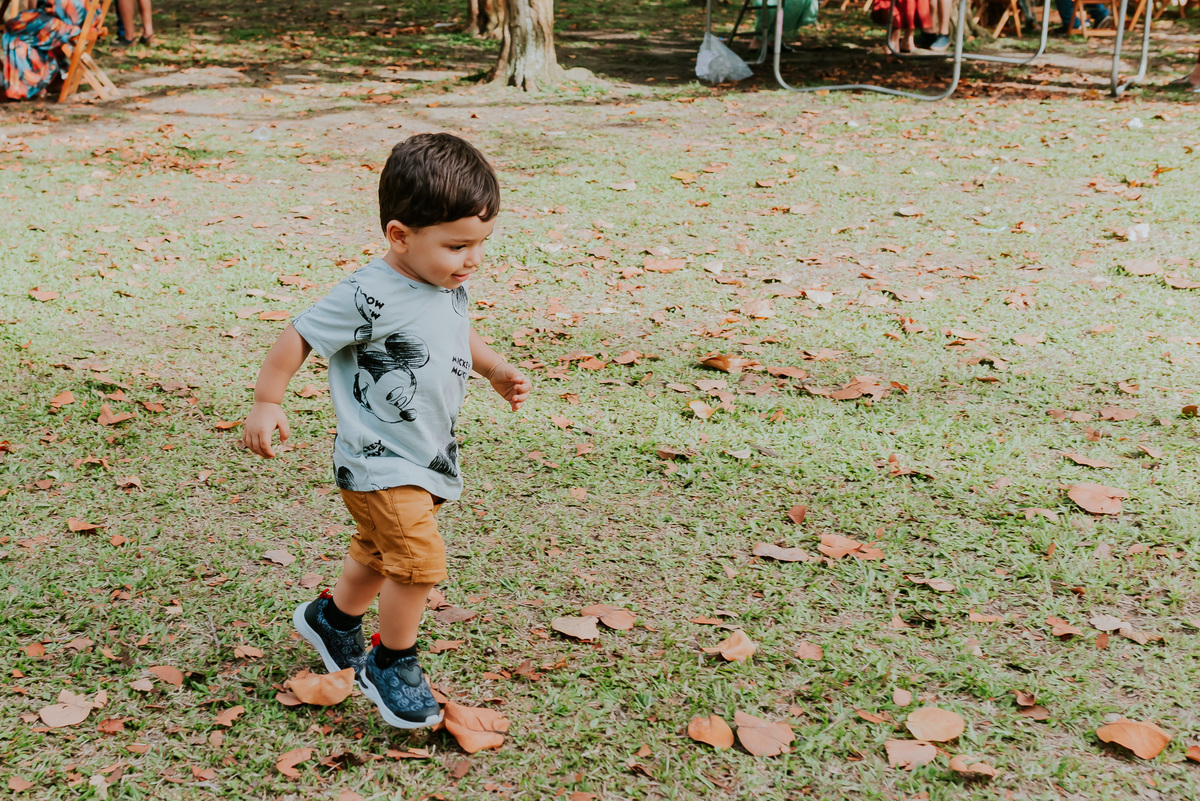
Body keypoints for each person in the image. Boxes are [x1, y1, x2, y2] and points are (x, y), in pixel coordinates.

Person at [243, 133, 531, 729]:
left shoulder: (444, 282)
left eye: (481, 244)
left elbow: (456, 332)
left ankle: (335, 620)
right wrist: (268, 400)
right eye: (457, 245)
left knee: (378, 554)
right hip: (378, 462)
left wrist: (496, 368)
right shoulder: (368, 293)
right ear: (400, 236)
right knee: (419, 564)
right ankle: (391, 660)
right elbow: (298, 334)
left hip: (422, 455)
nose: (471, 259)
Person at [1, 0, 85, 100]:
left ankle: (26, 86)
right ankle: (51, 80)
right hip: (84, 19)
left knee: (15, 29)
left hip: (66, 20)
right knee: (25, 28)